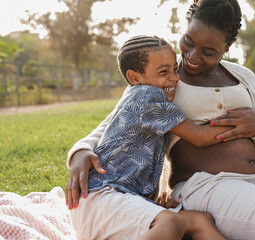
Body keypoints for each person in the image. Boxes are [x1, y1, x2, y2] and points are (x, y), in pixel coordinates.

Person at [66, 0, 255, 239]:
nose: (193, 57)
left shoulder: (243, 76)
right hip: (204, 186)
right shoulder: (162, 78)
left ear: (227, 47)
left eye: (208, 52)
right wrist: (80, 152)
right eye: (188, 42)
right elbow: (117, 122)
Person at [69, 35, 228, 240]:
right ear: (134, 77)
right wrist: (245, 123)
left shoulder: (135, 93)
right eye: (163, 72)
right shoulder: (147, 96)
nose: (174, 78)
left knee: (199, 220)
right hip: (101, 197)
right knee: (172, 222)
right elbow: (199, 136)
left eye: (174, 69)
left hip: (117, 201)